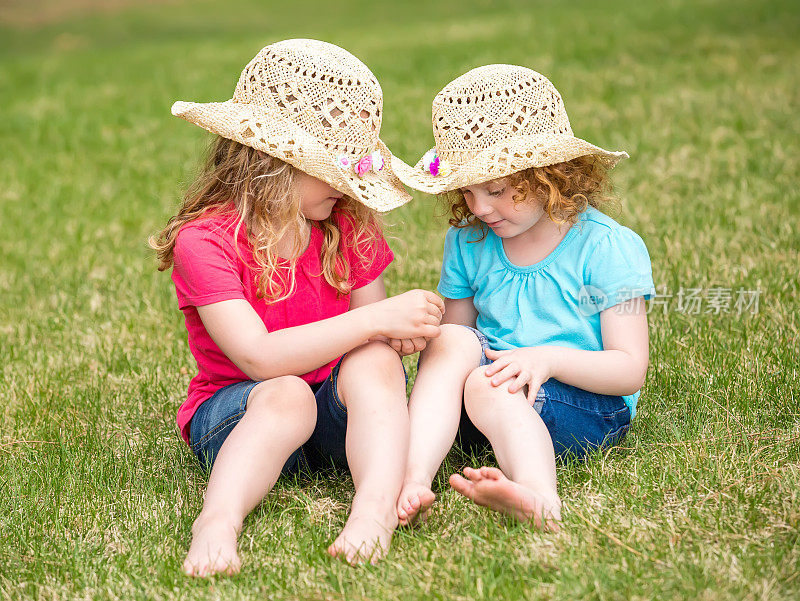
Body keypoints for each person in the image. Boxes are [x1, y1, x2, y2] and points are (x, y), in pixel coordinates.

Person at [150, 39, 444, 575]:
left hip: (332, 419)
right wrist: (375, 320)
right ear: (276, 163)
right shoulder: (206, 242)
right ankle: (217, 520)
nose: (348, 187)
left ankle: (374, 509)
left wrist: (394, 333)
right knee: (287, 393)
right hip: (242, 414)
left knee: (375, 361)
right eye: (333, 170)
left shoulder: (344, 224)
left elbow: (369, 336)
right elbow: (259, 358)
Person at [391, 65, 655, 529]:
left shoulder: (607, 248)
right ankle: (411, 480)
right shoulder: (469, 241)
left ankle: (538, 497)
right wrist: (422, 336)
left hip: (584, 404)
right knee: (453, 343)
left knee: (484, 384)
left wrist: (546, 360)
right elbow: (458, 339)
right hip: (483, 406)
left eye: (496, 190)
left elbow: (629, 369)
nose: (479, 208)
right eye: (467, 192)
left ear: (551, 176)